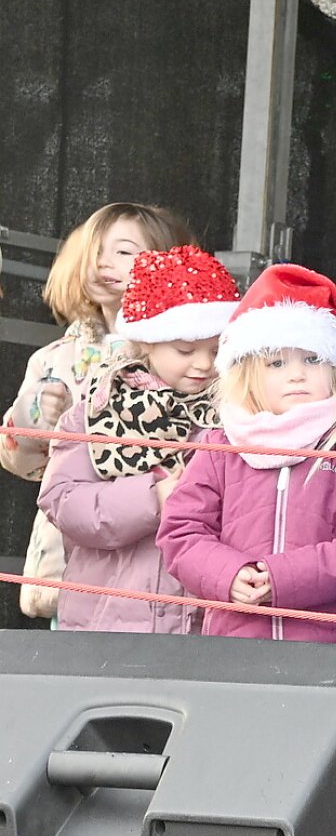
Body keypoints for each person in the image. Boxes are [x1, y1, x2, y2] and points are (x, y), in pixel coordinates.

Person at [156, 265, 336, 643]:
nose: (297, 375)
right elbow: (182, 531)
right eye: (276, 363)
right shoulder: (219, 447)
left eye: (312, 360)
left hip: (328, 647)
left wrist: (282, 579)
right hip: (234, 647)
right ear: (247, 374)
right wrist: (229, 575)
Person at [1, 203, 194, 621]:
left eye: (123, 252)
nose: (103, 263)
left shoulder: (182, 358)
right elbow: (22, 464)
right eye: (94, 252)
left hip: (152, 578)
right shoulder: (53, 358)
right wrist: (34, 422)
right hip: (68, 567)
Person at [37, 245, 239, 633]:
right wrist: (154, 497)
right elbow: (62, 502)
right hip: (107, 623)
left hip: (197, 625)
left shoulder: (235, 418)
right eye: (185, 349)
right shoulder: (97, 409)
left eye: (216, 351)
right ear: (147, 341)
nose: (203, 364)